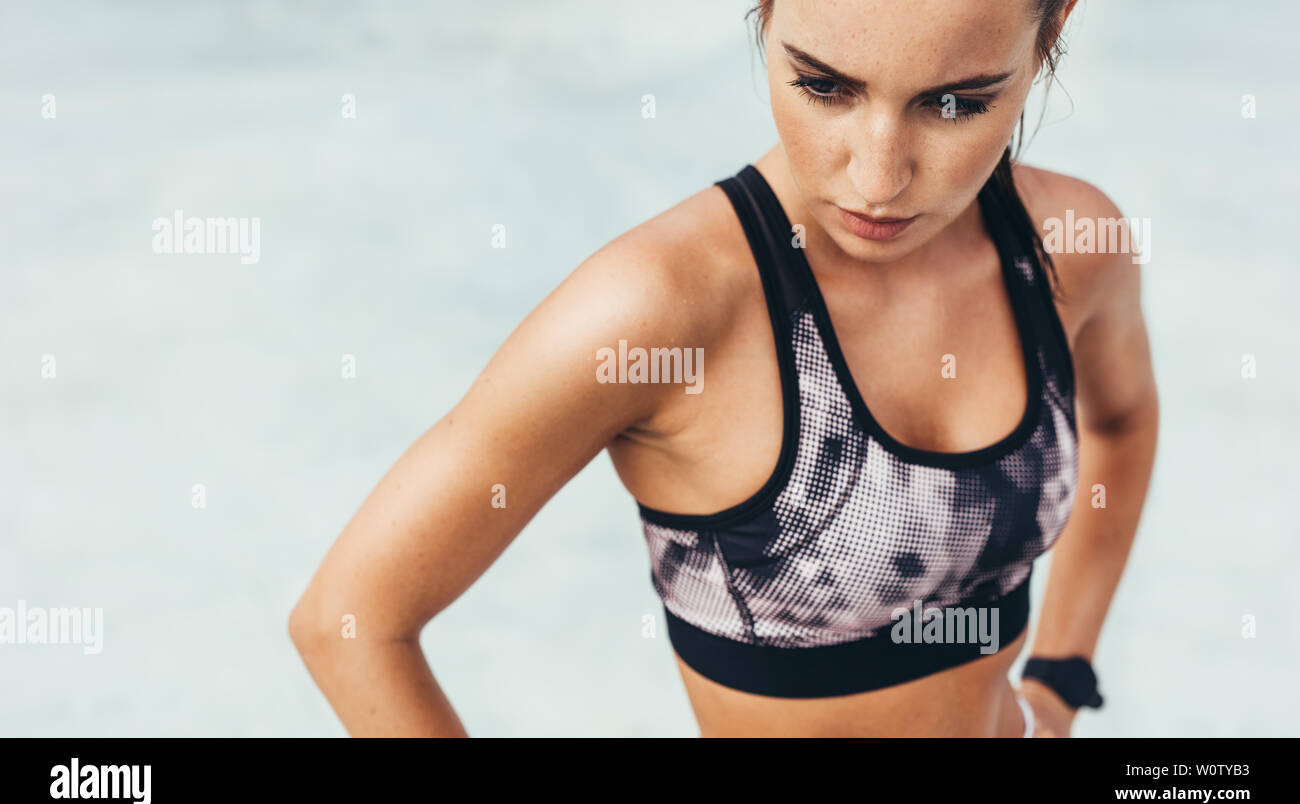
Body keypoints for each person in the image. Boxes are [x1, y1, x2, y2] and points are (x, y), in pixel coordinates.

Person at [289, 0, 1159, 737]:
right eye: (824, 86)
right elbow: (349, 625)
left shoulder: (1070, 246)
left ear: (1051, 33)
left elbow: (1120, 422)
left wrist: (1059, 678)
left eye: (956, 103)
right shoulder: (659, 309)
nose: (879, 176)